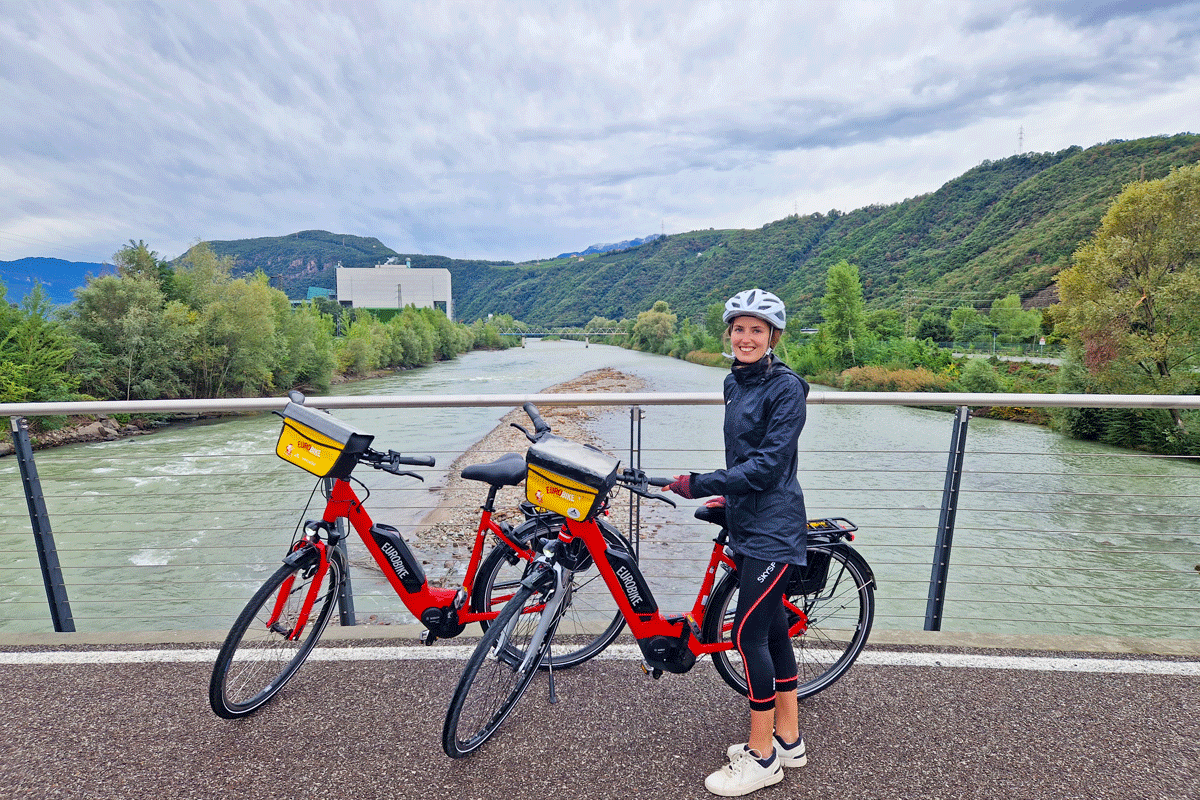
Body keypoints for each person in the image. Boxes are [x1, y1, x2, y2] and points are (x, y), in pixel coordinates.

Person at [664, 288, 810, 797]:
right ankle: (788, 740)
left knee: (748, 636)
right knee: (772, 634)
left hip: (774, 528)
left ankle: (762, 756)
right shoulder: (733, 382)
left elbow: (770, 465)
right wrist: (727, 495)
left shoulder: (787, 388)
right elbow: (744, 454)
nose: (746, 338)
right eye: (739, 328)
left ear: (773, 337)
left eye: (757, 330)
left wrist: (702, 483)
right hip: (747, 518)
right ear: (729, 334)